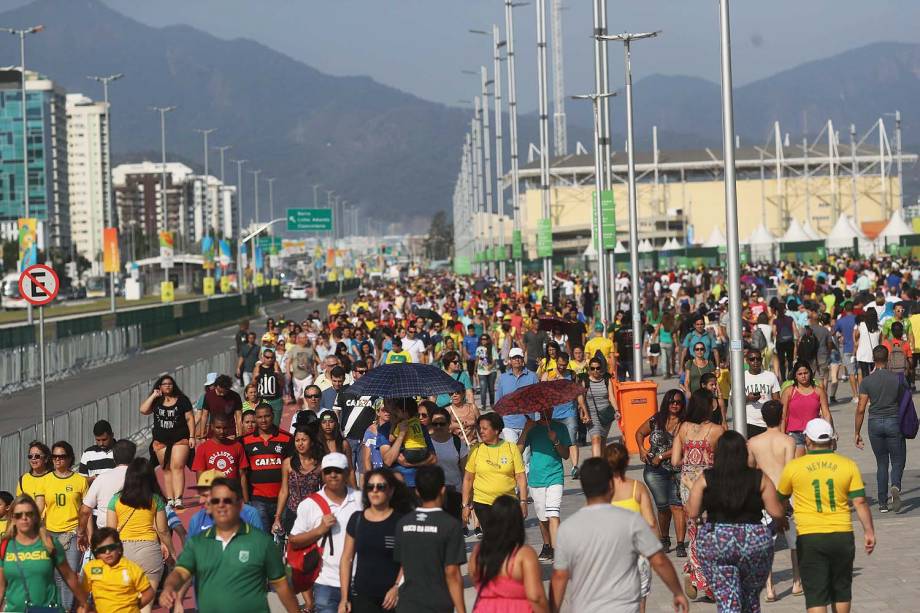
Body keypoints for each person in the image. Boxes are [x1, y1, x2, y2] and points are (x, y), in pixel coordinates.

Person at [550, 458, 688, 613]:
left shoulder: (568, 528)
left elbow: (560, 576)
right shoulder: (631, 521)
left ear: (584, 487)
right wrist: (677, 592)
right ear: (610, 486)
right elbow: (659, 561)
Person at [777, 418, 876, 613]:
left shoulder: (795, 467)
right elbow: (860, 502)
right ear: (832, 440)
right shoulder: (848, 465)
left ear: (807, 440)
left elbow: (780, 498)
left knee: (816, 594)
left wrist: (781, 519)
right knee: (841, 590)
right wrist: (869, 531)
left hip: (809, 535)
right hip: (841, 534)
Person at [159, 478, 301, 613]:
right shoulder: (198, 544)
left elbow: (281, 586)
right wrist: (169, 587)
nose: (221, 505)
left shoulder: (262, 543)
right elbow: (180, 572)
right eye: (215, 501)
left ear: (239, 505)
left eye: (227, 500)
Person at [686, 431, 788, 613]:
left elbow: (692, 512)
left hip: (717, 539)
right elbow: (775, 511)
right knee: (750, 597)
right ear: (743, 452)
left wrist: (691, 488)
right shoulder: (758, 477)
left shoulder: (707, 477)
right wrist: (781, 521)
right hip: (753, 540)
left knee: (727, 597)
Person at [289, 453, 361, 613]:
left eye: (338, 470)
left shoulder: (361, 500)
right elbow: (294, 540)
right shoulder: (309, 504)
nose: (333, 475)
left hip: (359, 580)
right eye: (328, 471)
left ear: (347, 472)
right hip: (325, 581)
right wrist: (319, 530)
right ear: (322, 474)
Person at [338, 468, 414, 613]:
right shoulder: (357, 519)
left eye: (381, 487)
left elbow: (408, 561)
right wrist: (344, 598)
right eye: (370, 487)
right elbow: (346, 559)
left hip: (393, 599)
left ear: (391, 491)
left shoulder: (401, 522)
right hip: (362, 598)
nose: (375, 490)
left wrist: (397, 587)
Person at [747, 400, 801, 601]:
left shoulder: (753, 443)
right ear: (781, 417)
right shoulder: (788, 441)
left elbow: (750, 469)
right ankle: (796, 582)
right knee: (793, 542)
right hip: (786, 495)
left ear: (762, 418)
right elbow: (790, 471)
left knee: (766, 544)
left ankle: (769, 588)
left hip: (763, 497)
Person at [671, 390, 723, 600]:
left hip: (686, 486)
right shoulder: (717, 430)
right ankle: (708, 583)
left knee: (694, 532)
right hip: (708, 486)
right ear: (709, 405)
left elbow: (675, 461)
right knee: (711, 534)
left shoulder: (682, 428)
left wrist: (690, 463)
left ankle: (693, 572)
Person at [394, 465, 467, 613]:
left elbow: (401, 565)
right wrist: (461, 610)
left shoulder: (403, 523)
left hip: (406, 603)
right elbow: (452, 572)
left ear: (417, 492)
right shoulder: (450, 525)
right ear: (443, 490)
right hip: (437, 603)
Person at [106, 457, 175, 613]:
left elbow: (110, 531)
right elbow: (163, 530)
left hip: (123, 552)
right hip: (149, 550)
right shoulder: (155, 499)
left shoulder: (116, 500)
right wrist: (171, 551)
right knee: (146, 605)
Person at [0, 495, 90, 612]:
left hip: (47, 609)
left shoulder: (49, 543)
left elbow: (69, 576)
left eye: (29, 514)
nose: (24, 518)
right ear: (13, 518)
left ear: (36, 516)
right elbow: (1, 586)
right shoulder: (6, 546)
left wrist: (85, 603)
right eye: (19, 515)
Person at [468, 495, 549, 613]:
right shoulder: (524, 554)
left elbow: (475, 578)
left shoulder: (478, 552)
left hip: (485, 608)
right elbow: (535, 597)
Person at [606, 443, 659, 613]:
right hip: (637, 556)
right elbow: (651, 523)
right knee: (639, 603)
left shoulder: (601, 491)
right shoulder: (638, 488)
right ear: (627, 462)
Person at [35, 440, 87, 611]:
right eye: (54, 456)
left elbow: (85, 510)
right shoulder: (45, 480)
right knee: (56, 575)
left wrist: (88, 534)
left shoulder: (80, 480)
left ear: (70, 458)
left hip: (72, 534)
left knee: (69, 573)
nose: (57, 460)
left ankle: (66, 608)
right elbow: (39, 507)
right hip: (51, 534)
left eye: (61, 457)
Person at [855, 344, 907, 513]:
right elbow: (904, 402)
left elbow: (861, 408)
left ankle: (883, 503)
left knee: (882, 462)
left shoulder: (867, 381)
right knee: (898, 459)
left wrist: (857, 432)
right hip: (893, 420)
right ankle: (896, 486)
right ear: (888, 358)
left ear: (873, 359)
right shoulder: (897, 379)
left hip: (875, 422)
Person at [636, 389, 687, 557]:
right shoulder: (657, 419)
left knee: (677, 506)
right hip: (654, 470)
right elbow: (639, 432)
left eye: (678, 402)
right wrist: (642, 450)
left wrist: (662, 455)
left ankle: (680, 544)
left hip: (678, 469)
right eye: (672, 401)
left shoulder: (686, 422)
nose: (675, 405)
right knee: (663, 506)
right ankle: (664, 538)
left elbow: (685, 445)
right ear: (666, 402)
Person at [462, 413, 528, 535]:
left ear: (497, 430)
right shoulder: (475, 450)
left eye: (485, 428)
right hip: (483, 503)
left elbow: (520, 477)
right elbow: (468, 479)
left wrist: (523, 501)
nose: (481, 432)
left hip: (507, 503)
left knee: (508, 538)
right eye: (479, 428)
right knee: (493, 537)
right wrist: (465, 505)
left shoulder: (511, 448)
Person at [518, 414, 570, 562]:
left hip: (555, 477)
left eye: (549, 407)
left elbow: (566, 455)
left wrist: (556, 441)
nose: (546, 410)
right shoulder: (532, 429)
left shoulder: (560, 427)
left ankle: (558, 549)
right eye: (541, 408)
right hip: (536, 479)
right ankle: (547, 545)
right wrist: (525, 430)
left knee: (553, 513)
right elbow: (517, 451)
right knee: (543, 517)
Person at [140, 374, 195, 508]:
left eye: (170, 383)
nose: (168, 386)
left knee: (177, 466)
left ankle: (178, 499)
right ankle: (170, 499)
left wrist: (192, 436)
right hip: (161, 440)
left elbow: (189, 418)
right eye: (164, 384)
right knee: (166, 469)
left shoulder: (182, 400)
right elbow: (143, 410)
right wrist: (154, 395)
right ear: (160, 386)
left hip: (180, 439)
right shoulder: (157, 401)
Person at [242, 402, 294, 530]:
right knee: (263, 539)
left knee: (282, 539)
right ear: (255, 418)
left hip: (283, 499)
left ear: (273, 416)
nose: (263, 420)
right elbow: (242, 473)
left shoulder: (287, 438)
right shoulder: (244, 441)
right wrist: (245, 500)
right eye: (259, 417)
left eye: (267, 416)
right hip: (257, 500)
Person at [81, 527, 155, 613]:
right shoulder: (91, 569)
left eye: (111, 547)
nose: (107, 552)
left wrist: (134, 607)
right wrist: (84, 607)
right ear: (96, 553)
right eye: (102, 550)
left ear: (119, 548)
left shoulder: (131, 568)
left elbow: (148, 593)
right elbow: (83, 594)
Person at [79, 439, 136, 544]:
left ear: (114, 458)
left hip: (107, 538)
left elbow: (85, 511)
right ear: (133, 457)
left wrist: (81, 533)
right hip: (136, 535)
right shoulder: (143, 477)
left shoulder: (101, 478)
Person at [274, 424, 326, 534]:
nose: (300, 443)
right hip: (293, 513)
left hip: (314, 513)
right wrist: (277, 517)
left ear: (311, 442)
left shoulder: (320, 464)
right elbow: (284, 491)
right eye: (297, 440)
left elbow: (326, 490)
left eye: (304, 440)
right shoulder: (288, 463)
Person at [377, 398, 437, 488]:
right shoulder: (384, 429)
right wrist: (401, 434)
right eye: (389, 402)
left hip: (420, 482)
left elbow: (433, 459)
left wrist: (410, 464)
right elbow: (387, 461)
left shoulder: (420, 426)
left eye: (395, 401)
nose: (393, 405)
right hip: (397, 484)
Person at [188, 469, 264, 536]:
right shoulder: (197, 519)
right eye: (201, 495)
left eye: (206, 495)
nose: (201, 501)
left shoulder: (250, 514)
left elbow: (260, 548)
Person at [781, 360, 833, 456]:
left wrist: (831, 433)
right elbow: (783, 416)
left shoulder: (819, 391)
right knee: (799, 464)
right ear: (795, 376)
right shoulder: (788, 392)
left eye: (805, 373)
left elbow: (826, 414)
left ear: (810, 373)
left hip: (815, 433)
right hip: (795, 433)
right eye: (800, 374)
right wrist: (782, 435)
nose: (803, 376)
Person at [428, 407, 469, 520]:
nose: (438, 427)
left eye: (442, 423)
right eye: (435, 424)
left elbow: (465, 472)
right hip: (433, 493)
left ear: (449, 424)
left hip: (455, 493)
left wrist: (467, 498)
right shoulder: (426, 443)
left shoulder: (458, 442)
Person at [192, 411, 250, 487]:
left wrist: (245, 499)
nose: (222, 431)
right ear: (212, 426)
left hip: (232, 494)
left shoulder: (237, 446)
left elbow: (242, 476)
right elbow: (200, 476)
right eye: (218, 428)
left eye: (225, 428)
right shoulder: (203, 448)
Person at [494, 348, 539, 442]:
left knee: (526, 456)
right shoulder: (503, 378)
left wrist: (536, 420)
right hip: (508, 424)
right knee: (513, 454)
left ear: (523, 359)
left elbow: (538, 399)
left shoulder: (532, 376)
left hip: (527, 424)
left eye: (519, 357)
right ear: (510, 360)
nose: (517, 360)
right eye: (514, 358)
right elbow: (498, 401)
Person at [582, 356, 618, 459]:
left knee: (602, 441)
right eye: (593, 368)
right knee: (595, 439)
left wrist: (617, 410)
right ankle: (596, 466)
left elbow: (611, 397)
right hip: (591, 415)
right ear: (589, 369)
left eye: (598, 368)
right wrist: (583, 414)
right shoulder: (585, 381)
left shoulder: (606, 380)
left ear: (601, 368)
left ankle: (602, 463)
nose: (595, 371)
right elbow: (581, 401)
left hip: (605, 414)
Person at [743, 348, 781, 437]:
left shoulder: (771, 376)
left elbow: (777, 401)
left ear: (762, 360)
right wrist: (748, 398)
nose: (755, 361)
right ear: (747, 361)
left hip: (768, 424)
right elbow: (733, 401)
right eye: (752, 359)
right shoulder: (741, 377)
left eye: (758, 359)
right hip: (749, 423)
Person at [198, 374, 243, 439]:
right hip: (213, 433)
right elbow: (204, 416)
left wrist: (240, 436)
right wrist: (202, 435)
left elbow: (239, 417)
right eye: (219, 391)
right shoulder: (208, 396)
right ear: (215, 386)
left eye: (224, 392)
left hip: (229, 433)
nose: (221, 394)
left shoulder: (235, 396)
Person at [254, 348, 284, 426]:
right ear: (263, 357)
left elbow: (282, 384)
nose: (270, 359)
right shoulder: (258, 368)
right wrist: (256, 374)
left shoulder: (275, 367)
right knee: (263, 424)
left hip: (276, 400)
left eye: (272, 357)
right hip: (263, 400)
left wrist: (277, 373)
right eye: (267, 357)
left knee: (275, 424)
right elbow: (253, 384)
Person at [854, 308, 881, 386]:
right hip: (875, 353)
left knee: (864, 373)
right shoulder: (879, 328)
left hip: (863, 353)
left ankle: (866, 390)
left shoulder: (862, 325)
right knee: (874, 373)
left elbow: (856, 335)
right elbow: (880, 341)